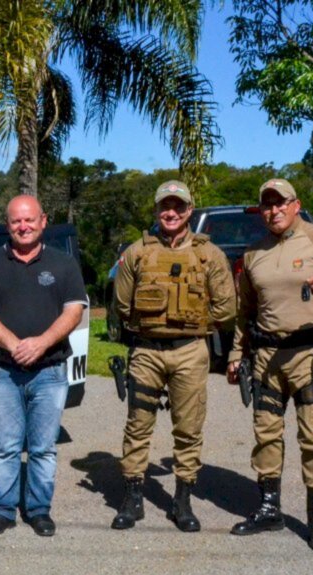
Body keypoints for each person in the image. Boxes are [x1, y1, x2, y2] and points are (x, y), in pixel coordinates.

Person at [226, 179, 313, 552]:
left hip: (309, 356)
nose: (274, 211)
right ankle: (270, 510)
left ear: (296, 204)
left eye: (281, 204)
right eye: (267, 206)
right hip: (267, 360)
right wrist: (236, 355)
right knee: (266, 436)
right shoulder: (254, 252)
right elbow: (245, 313)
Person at [111, 181, 236, 531]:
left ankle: (182, 499)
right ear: (156, 211)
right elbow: (122, 304)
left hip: (190, 351)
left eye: (178, 207)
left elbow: (226, 309)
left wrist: (193, 319)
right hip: (147, 351)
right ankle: (133, 497)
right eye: (164, 206)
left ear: (189, 211)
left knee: (188, 427)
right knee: (138, 424)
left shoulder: (209, 254)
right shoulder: (137, 253)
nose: (171, 213)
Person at [0, 195, 87, 537]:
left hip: (49, 372)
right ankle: (2, 510)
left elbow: (73, 311)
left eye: (29, 220)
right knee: (5, 447)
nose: (23, 226)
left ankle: (38, 510)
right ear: (7, 225)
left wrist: (41, 343)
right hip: (3, 371)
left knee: (43, 447)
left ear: (43, 221)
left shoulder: (63, 264)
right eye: (16, 221)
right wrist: (14, 345)